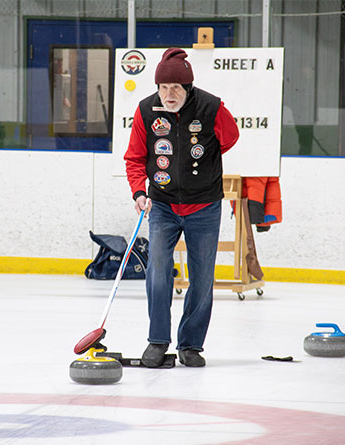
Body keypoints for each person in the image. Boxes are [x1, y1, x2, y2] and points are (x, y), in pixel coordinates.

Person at [124, 48, 239, 367]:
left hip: (204, 205)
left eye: (175, 88)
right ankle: (158, 341)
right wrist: (138, 193)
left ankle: (191, 345)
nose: (169, 94)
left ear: (188, 87)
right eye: (163, 87)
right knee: (158, 273)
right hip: (162, 205)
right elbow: (134, 158)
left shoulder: (211, 107)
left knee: (202, 278)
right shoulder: (146, 111)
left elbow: (230, 138)